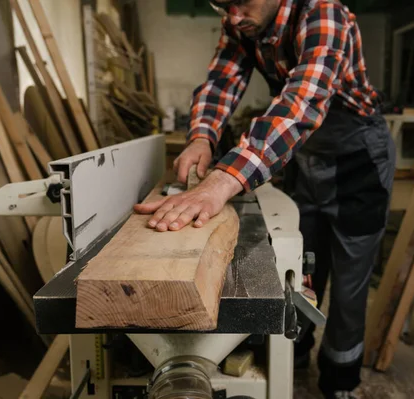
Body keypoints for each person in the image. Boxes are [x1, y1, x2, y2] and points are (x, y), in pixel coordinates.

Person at [134, 0, 396, 397]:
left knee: (348, 286)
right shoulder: (243, 21)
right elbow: (221, 83)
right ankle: (295, 356)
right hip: (306, 158)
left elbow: (301, 104)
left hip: (358, 161)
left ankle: (339, 382)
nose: (232, 16)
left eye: (241, 1)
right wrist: (202, 136)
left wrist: (222, 181)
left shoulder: (325, 14)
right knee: (302, 268)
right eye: (223, 3)